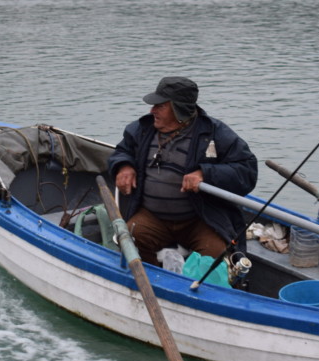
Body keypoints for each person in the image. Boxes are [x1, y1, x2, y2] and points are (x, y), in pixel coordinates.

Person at [108, 76, 258, 266]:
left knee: (216, 259)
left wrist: (205, 174)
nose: (152, 110)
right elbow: (122, 151)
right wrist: (123, 166)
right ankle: (151, 277)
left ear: (179, 109)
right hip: (152, 216)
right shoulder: (142, 129)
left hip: (200, 218)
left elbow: (247, 170)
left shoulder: (215, 133)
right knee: (129, 241)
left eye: (160, 106)